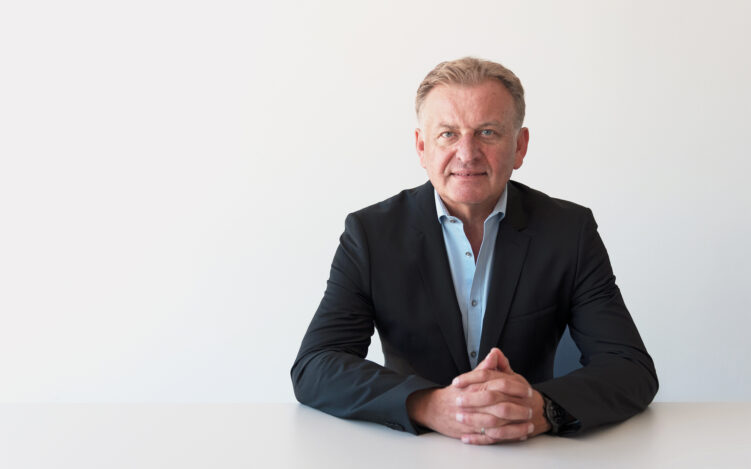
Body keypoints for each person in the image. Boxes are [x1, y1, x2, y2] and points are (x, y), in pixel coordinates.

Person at [291, 57, 658, 444]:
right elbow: (315, 365)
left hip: (530, 451)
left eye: (487, 132)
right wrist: (429, 405)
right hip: (412, 452)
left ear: (519, 146)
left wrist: (540, 409)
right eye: (448, 134)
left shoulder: (569, 232)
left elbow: (630, 367)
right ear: (422, 147)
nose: (467, 154)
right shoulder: (371, 235)